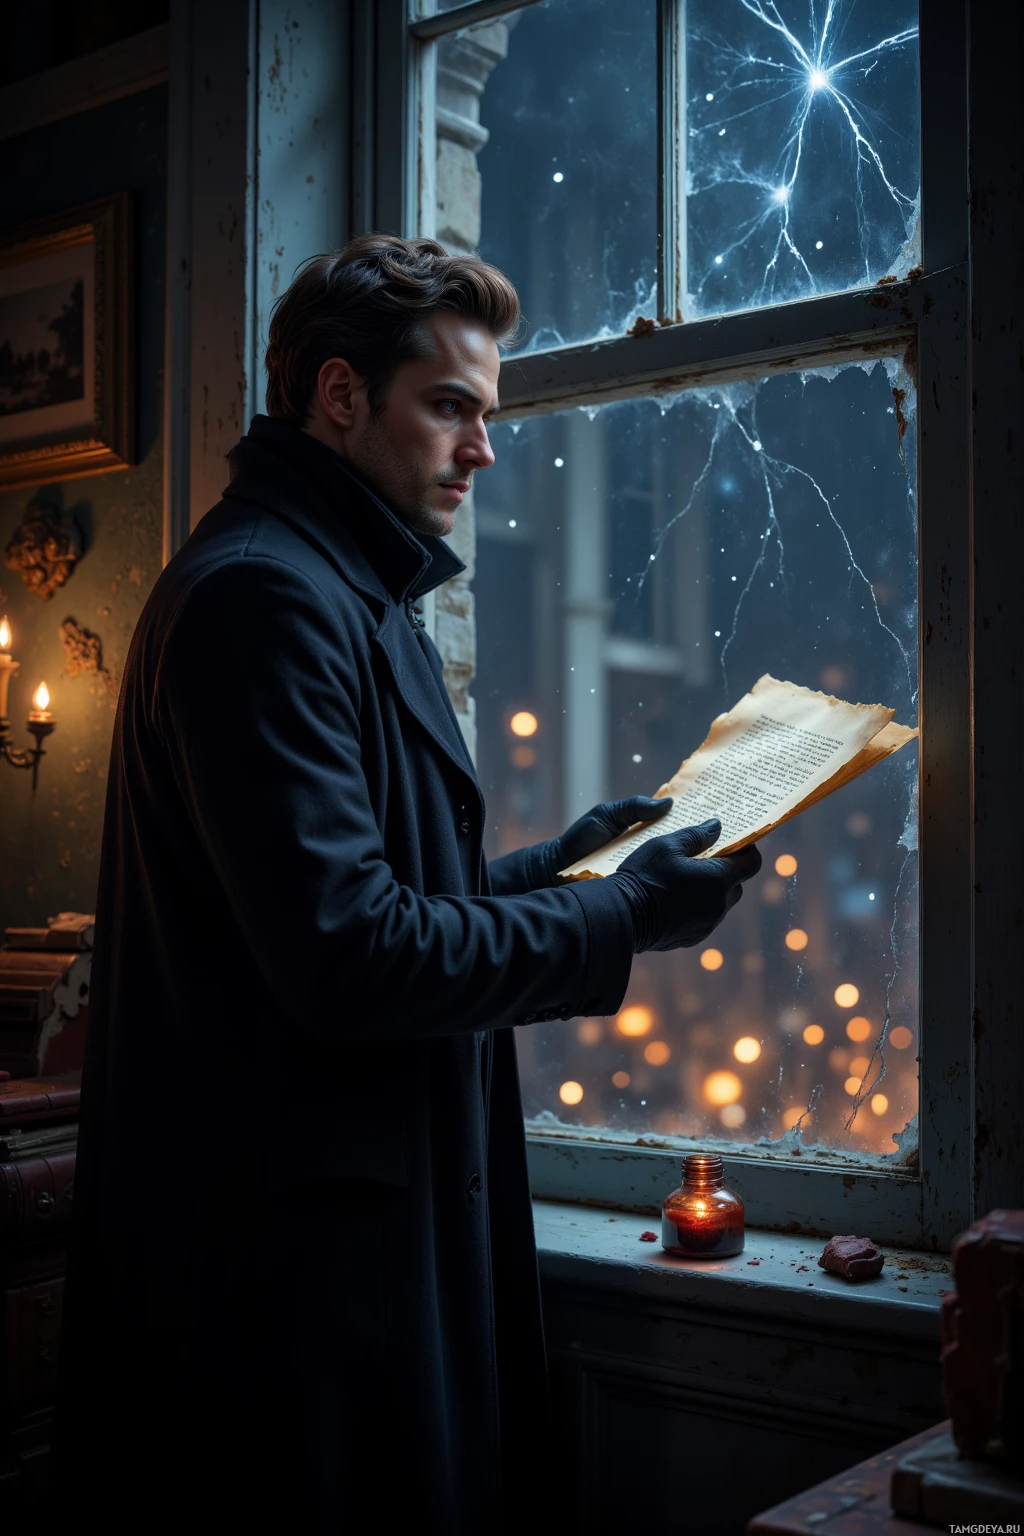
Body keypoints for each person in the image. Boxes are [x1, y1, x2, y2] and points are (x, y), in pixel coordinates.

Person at [52, 235, 760, 1533]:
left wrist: (574, 861)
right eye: (452, 407)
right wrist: (625, 912)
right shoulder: (265, 600)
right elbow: (349, 954)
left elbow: (379, 899)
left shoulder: (336, 592)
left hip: (344, 1245)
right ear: (338, 396)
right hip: (292, 1282)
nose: (481, 449)